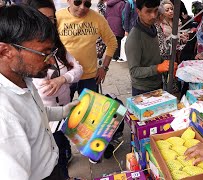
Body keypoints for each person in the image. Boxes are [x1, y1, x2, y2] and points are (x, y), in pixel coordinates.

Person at [0, 5, 79, 179]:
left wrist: (63, 112)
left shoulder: (22, 79)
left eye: (51, 52)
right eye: (43, 53)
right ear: (6, 51)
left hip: (53, 165)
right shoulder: (4, 116)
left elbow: (34, 113)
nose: (51, 62)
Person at [27, 0, 83, 179]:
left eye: (51, 19)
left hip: (61, 110)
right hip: (47, 123)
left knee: (63, 147)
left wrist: (62, 79)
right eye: (42, 18)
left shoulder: (57, 48)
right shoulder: (26, 58)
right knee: (56, 154)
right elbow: (39, 93)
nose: (47, 24)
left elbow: (77, 68)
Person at [56, 0, 117, 99]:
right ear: (68, 1)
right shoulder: (58, 16)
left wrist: (104, 68)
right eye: (77, 2)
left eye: (87, 4)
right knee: (62, 112)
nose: (82, 7)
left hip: (89, 77)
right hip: (65, 76)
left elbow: (112, 42)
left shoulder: (97, 18)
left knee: (89, 112)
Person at [125, 0, 177, 96]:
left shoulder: (152, 28)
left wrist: (166, 65)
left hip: (157, 84)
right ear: (138, 11)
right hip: (142, 90)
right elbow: (134, 71)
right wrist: (158, 68)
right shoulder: (134, 38)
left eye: (156, 10)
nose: (153, 15)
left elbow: (153, 56)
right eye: (148, 11)